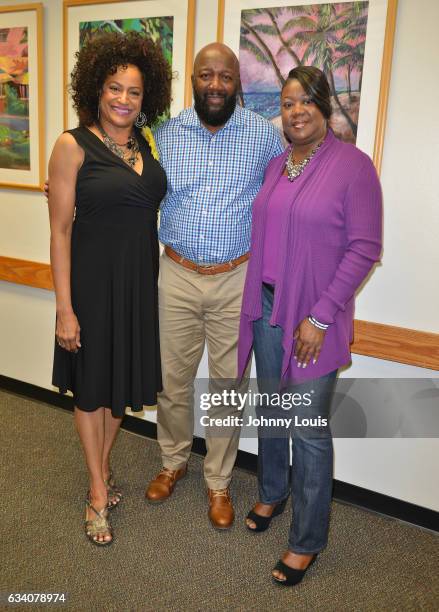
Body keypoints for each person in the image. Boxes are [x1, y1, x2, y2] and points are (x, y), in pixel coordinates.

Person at [238, 67, 382, 584]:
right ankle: (273, 493)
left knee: (308, 428)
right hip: (270, 311)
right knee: (272, 413)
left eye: (306, 101)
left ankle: (307, 540)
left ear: (325, 104)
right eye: (287, 102)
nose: (296, 111)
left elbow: (365, 247)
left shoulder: (353, 167)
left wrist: (319, 317)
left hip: (314, 318)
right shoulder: (278, 165)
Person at [145, 43, 284, 529]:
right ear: (194, 80)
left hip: (235, 278)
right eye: (207, 75)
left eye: (226, 77)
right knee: (171, 380)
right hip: (177, 275)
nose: (216, 85)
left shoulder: (263, 136)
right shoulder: (167, 132)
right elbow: (128, 176)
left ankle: (219, 482)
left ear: (237, 83)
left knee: (227, 386)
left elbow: (295, 183)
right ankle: (172, 460)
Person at [48, 31, 171, 545]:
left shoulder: (146, 143)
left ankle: (99, 469)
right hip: (92, 287)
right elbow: (58, 230)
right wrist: (64, 309)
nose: (123, 99)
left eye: (134, 91)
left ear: (147, 99)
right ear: (97, 90)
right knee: (93, 386)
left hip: (139, 287)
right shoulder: (71, 145)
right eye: (115, 88)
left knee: (119, 391)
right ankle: (98, 491)